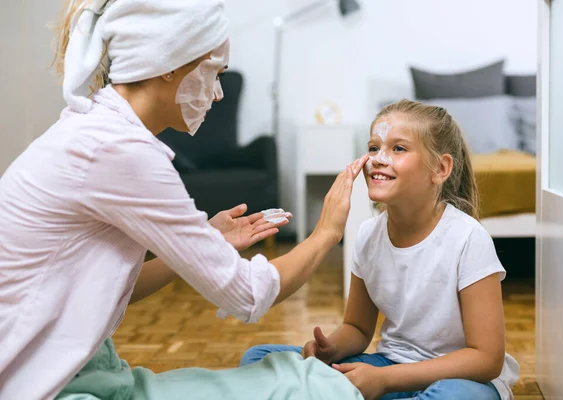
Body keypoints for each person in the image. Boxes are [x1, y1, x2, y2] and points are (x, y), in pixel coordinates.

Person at [0, 0, 368, 398]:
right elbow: (248, 295)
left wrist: (197, 245)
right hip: (35, 382)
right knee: (307, 384)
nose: (219, 93)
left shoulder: (95, 129)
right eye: (214, 72)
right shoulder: (120, 151)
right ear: (169, 64)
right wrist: (327, 233)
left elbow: (114, 283)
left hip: (69, 368)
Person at [240, 99, 521, 400]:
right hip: (389, 367)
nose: (378, 159)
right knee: (261, 358)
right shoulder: (368, 234)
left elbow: (487, 359)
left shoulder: (468, 238)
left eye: (398, 149)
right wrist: (332, 348)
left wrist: (385, 379)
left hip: (459, 380)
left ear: (440, 168)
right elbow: (358, 328)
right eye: (374, 148)